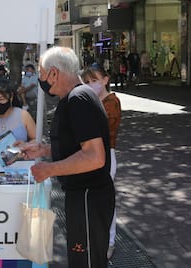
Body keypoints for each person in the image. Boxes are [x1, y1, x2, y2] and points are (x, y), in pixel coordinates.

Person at [20, 46, 115, 268]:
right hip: (83, 197)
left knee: (87, 262)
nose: (40, 79)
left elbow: (94, 156)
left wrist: (50, 169)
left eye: (42, 74)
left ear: (54, 73)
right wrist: (44, 150)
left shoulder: (78, 99)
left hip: (88, 197)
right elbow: (76, 147)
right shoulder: (75, 98)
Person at [81, 64, 122, 260]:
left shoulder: (111, 102)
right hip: (88, 156)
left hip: (105, 155)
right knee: (93, 202)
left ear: (105, 80)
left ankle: (109, 242)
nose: (90, 85)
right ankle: (96, 241)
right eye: (87, 82)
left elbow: (99, 129)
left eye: (94, 80)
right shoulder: (90, 101)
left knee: (106, 201)